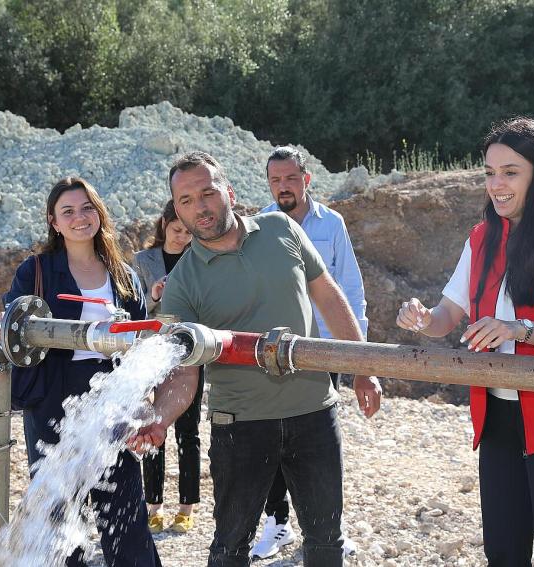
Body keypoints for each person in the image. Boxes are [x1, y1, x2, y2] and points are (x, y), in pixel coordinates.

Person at [128, 151, 382, 567]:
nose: (200, 207)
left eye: (207, 193)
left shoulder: (281, 230)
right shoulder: (181, 284)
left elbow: (331, 299)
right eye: (186, 201)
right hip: (239, 428)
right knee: (230, 547)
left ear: (228, 192)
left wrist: (363, 370)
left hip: (314, 413)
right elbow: (184, 371)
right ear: (176, 210)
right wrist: (160, 419)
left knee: (325, 542)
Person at [396, 118, 534, 567]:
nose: (497, 184)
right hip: (497, 417)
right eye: (490, 173)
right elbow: (446, 317)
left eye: (510, 172)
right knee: (503, 552)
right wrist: (421, 320)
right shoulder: (480, 237)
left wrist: (518, 330)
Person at [0, 177, 159, 567]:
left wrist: (145, 404)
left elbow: (139, 345)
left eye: (87, 208)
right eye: (68, 211)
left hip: (112, 401)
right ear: (54, 221)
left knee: (126, 514)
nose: (79, 217)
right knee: (60, 520)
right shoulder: (36, 270)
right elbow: (12, 316)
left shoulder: (124, 275)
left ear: (99, 213)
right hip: (52, 398)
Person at [254, 145, 367, 559]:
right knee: (274, 441)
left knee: (322, 445)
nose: (283, 187)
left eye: (290, 178)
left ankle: (328, 530)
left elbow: (350, 289)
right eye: (275, 180)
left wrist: (361, 358)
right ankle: (277, 524)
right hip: (277, 354)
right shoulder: (259, 226)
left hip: (325, 351)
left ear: (307, 179)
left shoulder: (332, 224)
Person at [133, 199, 204, 533]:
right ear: (163, 225)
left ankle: (186, 507)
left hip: (190, 352)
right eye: (177, 230)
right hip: (152, 352)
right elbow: (132, 307)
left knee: (188, 432)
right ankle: (154, 505)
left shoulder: (202, 258)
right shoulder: (141, 261)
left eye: (189, 232)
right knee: (151, 425)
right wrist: (154, 294)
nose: (182, 238)